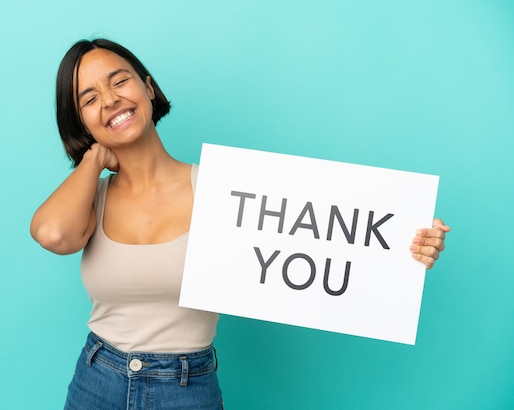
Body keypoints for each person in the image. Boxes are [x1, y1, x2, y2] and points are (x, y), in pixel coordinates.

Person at [30, 38, 451, 410]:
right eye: (89, 99)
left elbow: (335, 234)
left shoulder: (226, 189)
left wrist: (405, 242)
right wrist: (93, 160)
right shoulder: (90, 201)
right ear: (81, 122)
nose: (109, 99)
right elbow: (52, 234)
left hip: (186, 388)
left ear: (148, 87)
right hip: (97, 382)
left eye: (119, 81)